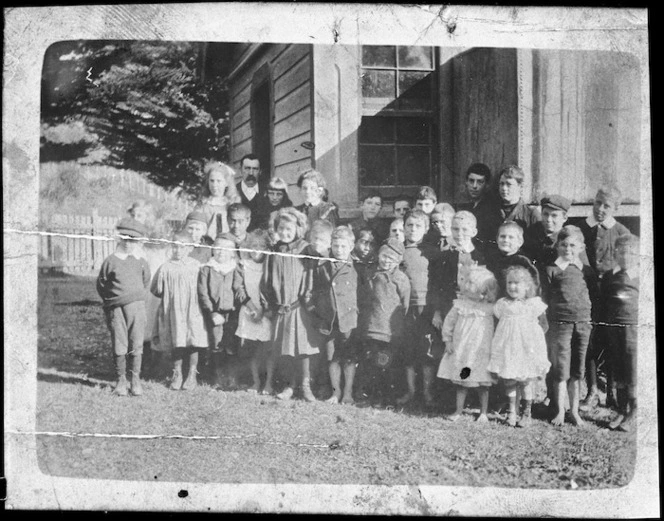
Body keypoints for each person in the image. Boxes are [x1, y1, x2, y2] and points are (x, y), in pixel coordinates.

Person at [578, 186, 631, 409]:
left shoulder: (621, 232)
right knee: (590, 340)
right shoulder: (581, 228)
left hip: (611, 295)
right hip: (588, 293)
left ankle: (610, 391)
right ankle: (592, 391)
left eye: (606, 206)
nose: (600, 209)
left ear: (616, 208)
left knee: (611, 341)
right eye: (598, 203)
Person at [260, 207, 320, 401]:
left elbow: (310, 276)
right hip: (281, 309)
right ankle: (289, 385)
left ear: (298, 229)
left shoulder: (304, 249)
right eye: (281, 229)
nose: (285, 233)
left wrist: (307, 301)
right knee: (285, 350)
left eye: (289, 229)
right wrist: (270, 305)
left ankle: (305, 386)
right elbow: (267, 280)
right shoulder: (273, 252)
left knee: (302, 350)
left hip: (299, 308)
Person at [541, 225, 599, 426]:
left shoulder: (587, 271)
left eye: (573, 245)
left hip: (582, 325)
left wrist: (590, 321)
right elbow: (545, 299)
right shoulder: (552, 270)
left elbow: (594, 296)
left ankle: (574, 411)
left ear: (581, 247)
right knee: (560, 370)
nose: (568, 249)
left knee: (577, 371)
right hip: (560, 326)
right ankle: (559, 410)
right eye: (564, 245)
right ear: (557, 246)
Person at [488, 265, 550, 427]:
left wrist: (532, 341)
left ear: (527, 286)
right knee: (509, 380)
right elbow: (499, 324)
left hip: (526, 349)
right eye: (509, 283)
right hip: (508, 348)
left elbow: (544, 326)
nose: (512, 287)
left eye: (517, 283)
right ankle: (511, 412)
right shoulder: (502, 304)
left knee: (526, 381)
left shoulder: (533, 304)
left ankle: (526, 413)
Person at [96, 217, 151, 396]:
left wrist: (135, 297)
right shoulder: (111, 261)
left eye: (133, 240)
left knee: (136, 342)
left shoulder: (141, 260)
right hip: (116, 308)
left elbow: (145, 281)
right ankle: (120, 380)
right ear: (119, 238)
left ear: (138, 242)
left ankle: (135, 380)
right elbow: (102, 284)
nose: (128, 243)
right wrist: (113, 300)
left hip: (136, 307)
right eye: (125, 238)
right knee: (120, 342)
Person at [436, 265, 498, 422]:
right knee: (461, 381)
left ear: (484, 290)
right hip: (462, 349)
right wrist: (447, 340)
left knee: (483, 383)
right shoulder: (459, 305)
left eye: (473, 284)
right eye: (467, 282)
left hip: (482, 351)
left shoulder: (491, 308)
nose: (468, 286)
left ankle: (483, 412)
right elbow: (448, 324)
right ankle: (458, 410)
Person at [356, 238, 411, 407]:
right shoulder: (371, 274)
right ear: (379, 255)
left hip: (390, 332)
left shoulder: (400, 279)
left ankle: (387, 398)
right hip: (373, 328)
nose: (387, 261)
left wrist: (398, 328)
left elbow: (406, 305)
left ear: (398, 261)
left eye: (392, 259)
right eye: (384, 256)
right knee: (372, 364)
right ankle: (373, 396)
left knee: (386, 364)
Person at [397, 209, 444, 408]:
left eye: (418, 226)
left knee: (427, 352)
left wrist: (437, 312)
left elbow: (439, 284)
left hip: (427, 308)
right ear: (404, 227)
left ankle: (427, 394)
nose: (413, 229)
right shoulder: (398, 250)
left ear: (425, 229)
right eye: (409, 225)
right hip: (405, 308)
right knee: (408, 351)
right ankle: (410, 391)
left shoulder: (432, 252)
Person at [151, 230, 208, 391]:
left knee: (193, 341)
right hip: (174, 312)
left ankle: (192, 374)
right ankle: (177, 373)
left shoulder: (196, 266)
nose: (178, 251)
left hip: (193, 310)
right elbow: (156, 289)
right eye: (175, 247)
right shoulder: (166, 267)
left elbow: (204, 287)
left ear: (190, 248)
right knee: (177, 341)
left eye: (183, 247)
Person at [308, 226, 359, 404]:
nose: (339, 250)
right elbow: (315, 291)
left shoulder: (357, 266)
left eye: (343, 246)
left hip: (349, 321)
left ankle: (348, 392)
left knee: (349, 358)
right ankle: (336, 392)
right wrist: (318, 315)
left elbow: (364, 295)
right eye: (336, 246)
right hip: (329, 321)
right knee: (332, 358)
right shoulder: (322, 265)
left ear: (351, 246)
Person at [432, 211, 488, 351]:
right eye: (455, 229)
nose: (459, 233)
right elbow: (438, 285)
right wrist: (437, 312)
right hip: (448, 307)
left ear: (473, 232)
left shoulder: (480, 257)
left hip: (471, 311)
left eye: (464, 229)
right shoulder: (445, 256)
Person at [600, 234, 639, 432]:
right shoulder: (610, 276)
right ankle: (622, 410)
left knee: (632, 369)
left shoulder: (641, 275)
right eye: (621, 252)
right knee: (618, 369)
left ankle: (634, 411)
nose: (626, 257)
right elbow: (604, 300)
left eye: (631, 253)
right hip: (613, 328)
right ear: (615, 253)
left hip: (633, 329)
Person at [233, 229, 275, 395]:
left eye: (261, 246)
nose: (257, 249)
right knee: (252, 350)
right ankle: (255, 381)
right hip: (249, 311)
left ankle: (269, 383)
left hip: (266, 312)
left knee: (268, 349)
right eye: (253, 246)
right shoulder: (243, 265)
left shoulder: (270, 265)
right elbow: (239, 289)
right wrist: (252, 308)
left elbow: (272, 290)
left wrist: (263, 311)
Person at [197, 235, 239, 389]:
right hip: (215, 313)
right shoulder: (207, 269)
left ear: (232, 252)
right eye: (218, 248)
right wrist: (212, 312)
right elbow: (203, 293)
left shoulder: (235, 268)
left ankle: (231, 378)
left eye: (225, 249)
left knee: (231, 344)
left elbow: (239, 289)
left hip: (233, 313)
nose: (221, 252)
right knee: (216, 344)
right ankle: (216, 378)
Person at [475, 165, 540, 250]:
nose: (504, 188)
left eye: (509, 184)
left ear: (520, 187)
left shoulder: (531, 214)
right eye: (502, 184)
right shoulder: (489, 212)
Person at [524, 195, 588, 273]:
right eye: (545, 214)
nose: (548, 220)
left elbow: (586, 272)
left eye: (554, 215)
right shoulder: (532, 234)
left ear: (564, 218)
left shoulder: (571, 239)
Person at [486, 221, 540, 297]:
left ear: (520, 242)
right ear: (497, 239)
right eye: (502, 236)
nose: (506, 240)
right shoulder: (492, 258)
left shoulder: (522, 261)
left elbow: (534, 285)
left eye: (511, 237)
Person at [194, 160, 241, 240]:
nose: (214, 185)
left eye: (219, 181)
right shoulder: (203, 203)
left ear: (226, 183)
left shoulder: (232, 203)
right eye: (212, 181)